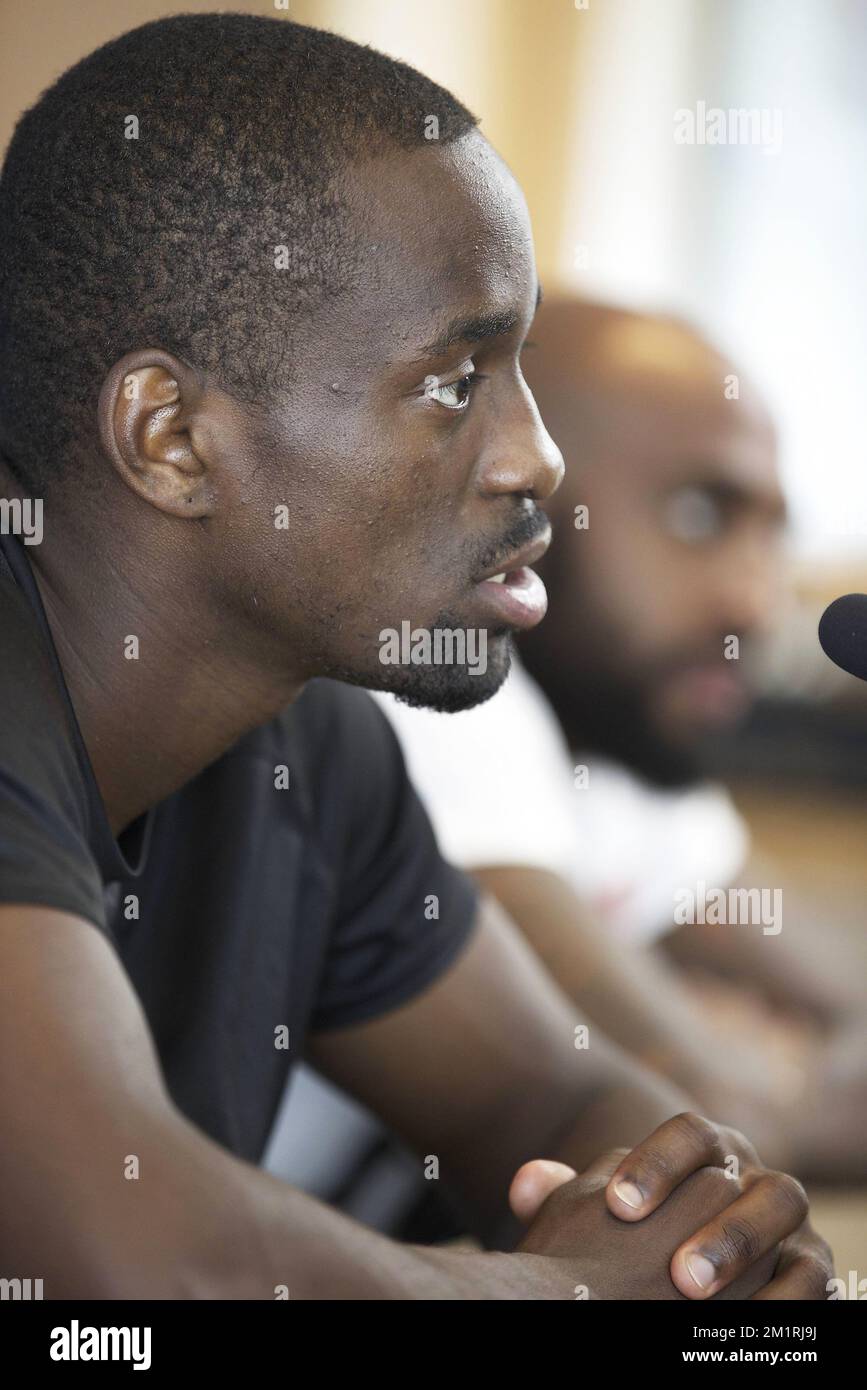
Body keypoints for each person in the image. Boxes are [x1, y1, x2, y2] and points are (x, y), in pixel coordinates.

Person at [0, 15, 828, 1300]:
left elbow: (554, 1087)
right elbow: (136, 1260)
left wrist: (705, 1233)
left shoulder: (305, 741)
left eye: (522, 371)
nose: (537, 458)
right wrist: (567, 1296)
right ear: (170, 437)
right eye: (456, 378)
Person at [366, 298, 867, 1184]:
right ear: (511, 477)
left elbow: (842, 1000)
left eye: (772, 534)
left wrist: (748, 1065)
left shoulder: (618, 739)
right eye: (700, 515)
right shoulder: (428, 691)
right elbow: (718, 1116)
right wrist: (726, 1056)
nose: (753, 602)